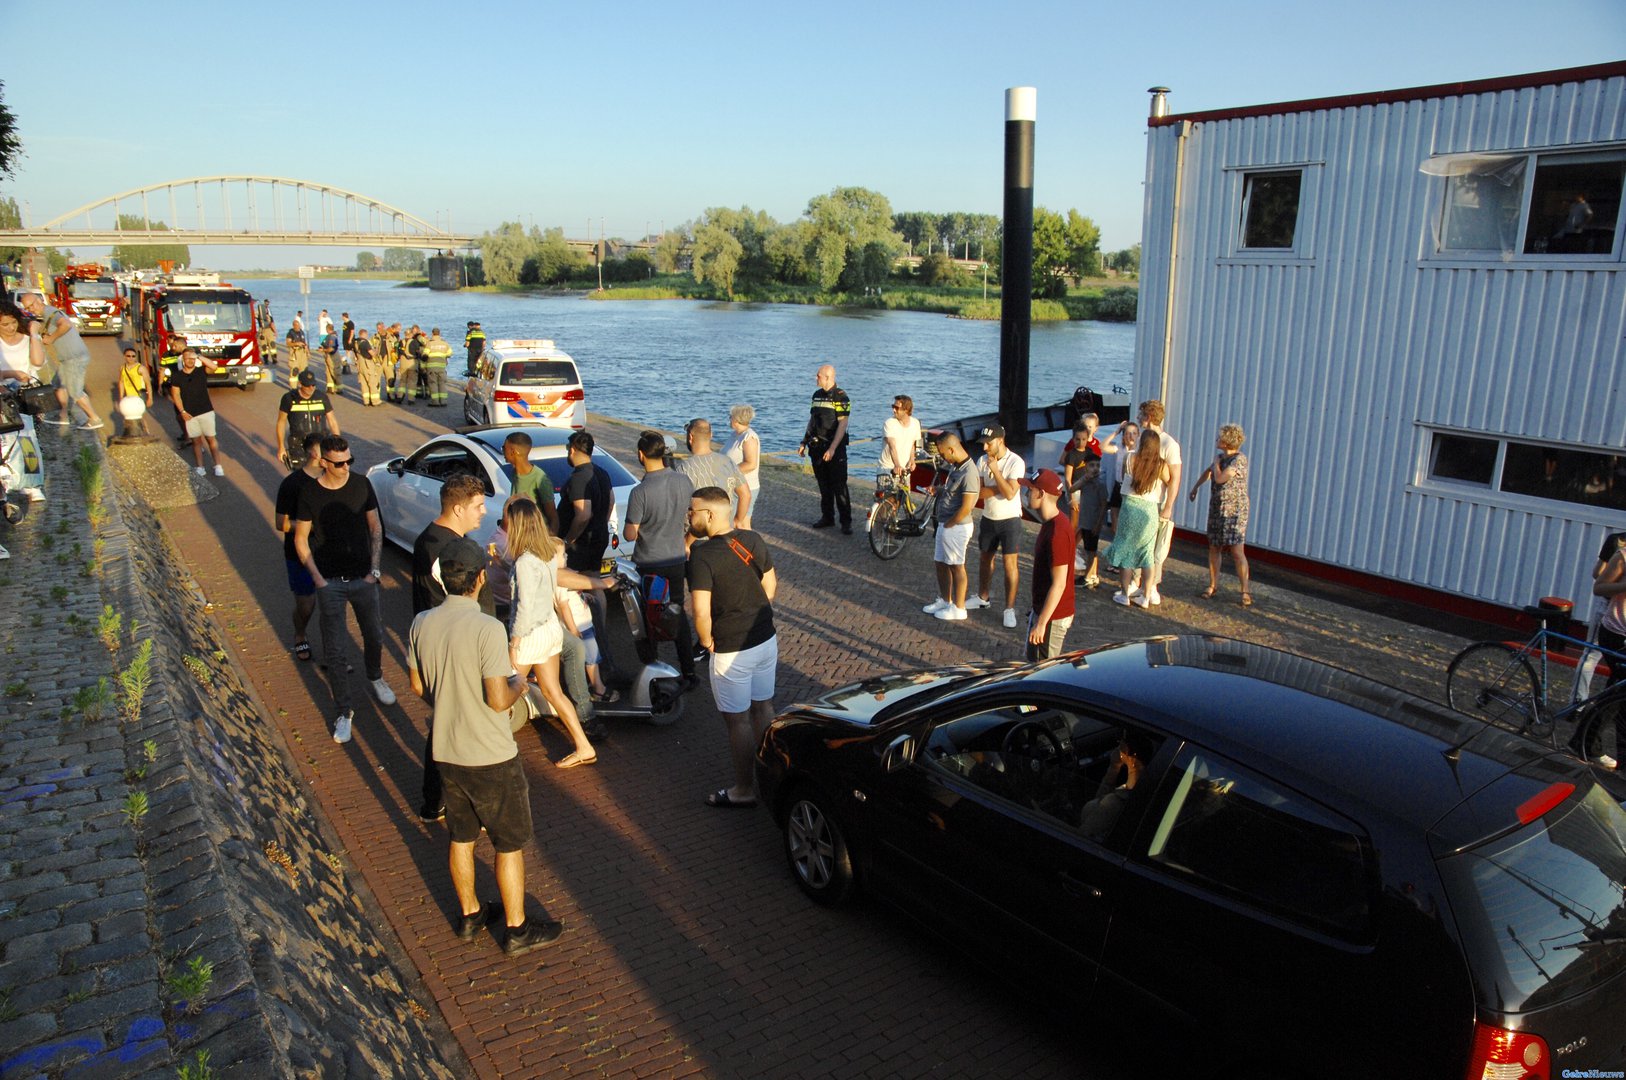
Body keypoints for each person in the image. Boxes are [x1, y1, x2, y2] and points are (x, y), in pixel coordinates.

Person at [406, 536, 564, 957]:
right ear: (478, 579)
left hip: (447, 750)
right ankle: (516, 928)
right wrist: (520, 686)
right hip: (491, 755)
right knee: (508, 843)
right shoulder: (487, 628)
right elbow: (497, 698)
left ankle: (471, 914)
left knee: (461, 836)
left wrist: (451, 698)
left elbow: (418, 684)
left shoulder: (421, 622)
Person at [293, 434, 394, 744]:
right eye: (340, 463)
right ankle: (343, 712)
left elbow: (375, 528)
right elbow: (300, 539)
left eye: (349, 460)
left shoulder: (362, 485)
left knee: (374, 635)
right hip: (330, 583)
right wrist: (319, 580)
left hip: (363, 578)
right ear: (324, 462)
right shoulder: (309, 493)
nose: (347, 466)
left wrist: (374, 570)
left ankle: (375, 676)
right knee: (335, 651)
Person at [688, 485, 779, 808]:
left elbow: (700, 610)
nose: (689, 516)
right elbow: (770, 584)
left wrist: (705, 639)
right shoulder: (752, 539)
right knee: (764, 707)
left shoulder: (701, 555)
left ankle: (744, 788)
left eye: (692, 511)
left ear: (709, 515)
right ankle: (773, 774)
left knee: (737, 721)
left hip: (731, 650)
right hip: (765, 638)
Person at [506, 498, 613, 768]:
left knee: (506, 690)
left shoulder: (524, 561)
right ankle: (583, 745)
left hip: (530, 635)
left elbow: (524, 606)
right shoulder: (545, 555)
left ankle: (491, 749)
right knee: (554, 692)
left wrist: (514, 642)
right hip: (550, 630)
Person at [411, 474, 493, 821]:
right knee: (470, 728)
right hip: (459, 649)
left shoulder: (427, 540)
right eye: (478, 506)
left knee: (445, 724)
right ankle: (469, 803)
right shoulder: (448, 551)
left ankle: (434, 801)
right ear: (458, 508)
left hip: (441, 644)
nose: (484, 513)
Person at [624, 429, 698, 689]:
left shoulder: (640, 491)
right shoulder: (683, 482)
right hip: (677, 559)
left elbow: (630, 534)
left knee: (648, 616)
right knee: (677, 611)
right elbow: (692, 517)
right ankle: (689, 671)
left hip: (649, 563)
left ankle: (652, 669)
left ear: (641, 455)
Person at [967, 424, 1026, 629]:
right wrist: (999, 488)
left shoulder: (1016, 462)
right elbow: (977, 492)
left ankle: (1009, 608)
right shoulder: (981, 461)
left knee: (1010, 564)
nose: (984, 449)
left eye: (988, 444)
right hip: (989, 517)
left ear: (1000, 441)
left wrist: (996, 473)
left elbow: (1011, 494)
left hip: (1010, 519)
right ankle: (983, 597)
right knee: (985, 558)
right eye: (983, 444)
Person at [1105, 430, 1172, 608]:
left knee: (1126, 551)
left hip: (1130, 506)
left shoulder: (1130, 458)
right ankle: (1146, 596)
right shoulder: (1161, 465)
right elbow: (1169, 480)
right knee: (1147, 553)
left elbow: (1125, 476)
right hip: (1150, 510)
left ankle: (1125, 594)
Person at [20, 291, 104, 431]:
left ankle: (94, 418)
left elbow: (65, 324)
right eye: (27, 308)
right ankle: (63, 416)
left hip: (74, 357)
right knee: (57, 384)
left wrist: (51, 338)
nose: (31, 309)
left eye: (32, 305)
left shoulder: (49, 312)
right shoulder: (47, 314)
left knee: (75, 392)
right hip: (68, 358)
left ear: (39, 300)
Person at [1188, 423, 1252, 606]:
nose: (1216, 440)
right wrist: (1195, 487)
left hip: (1235, 511)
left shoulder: (1238, 460)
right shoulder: (1221, 458)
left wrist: (1216, 464)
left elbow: (1220, 477)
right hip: (1217, 507)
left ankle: (1245, 590)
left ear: (1226, 441)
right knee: (1214, 547)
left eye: (1219, 438)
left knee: (1237, 550)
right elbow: (1208, 473)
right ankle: (1213, 585)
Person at [275, 433, 325, 663]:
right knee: (306, 604)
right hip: (300, 555)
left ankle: (332, 653)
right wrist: (310, 526)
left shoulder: (333, 479)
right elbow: (281, 523)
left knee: (332, 605)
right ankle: (300, 633)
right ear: (313, 453)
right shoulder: (292, 484)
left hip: (328, 554)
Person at [922, 433, 980, 621]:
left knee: (957, 565)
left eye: (943, 452)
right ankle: (946, 600)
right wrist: (939, 490)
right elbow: (952, 492)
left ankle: (959, 607)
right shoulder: (956, 467)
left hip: (956, 526)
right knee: (941, 562)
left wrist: (950, 524)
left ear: (952, 449)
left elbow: (967, 505)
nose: (942, 456)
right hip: (945, 523)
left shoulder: (969, 472)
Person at [1025, 469, 1076, 660]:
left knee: (1041, 669)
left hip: (1053, 617)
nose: (1026, 494)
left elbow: (1059, 583)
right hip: (1045, 612)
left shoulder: (1058, 533)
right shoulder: (1052, 523)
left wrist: (1041, 623)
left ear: (1041, 493)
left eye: (1030, 490)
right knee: (1033, 664)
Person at [1137, 400, 1182, 607]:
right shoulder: (1143, 440)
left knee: (1155, 547)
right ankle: (1141, 584)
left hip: (1157, 502)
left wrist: (1168, 506)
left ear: (1148, 417)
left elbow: (1175, 478)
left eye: (1140, 416)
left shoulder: (1169, 444)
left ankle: (1152, 586)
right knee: (1140, 543)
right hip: (1141, 500)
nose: (1137, 419)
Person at [797, 363, 852, 533]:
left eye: (818, 376)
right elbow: (812, 420)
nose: (816, 378)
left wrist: (833, 448)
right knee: (823, 485)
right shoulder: (816, 395)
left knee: (839, 486)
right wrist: (804, 442)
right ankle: (827, 517)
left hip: (834, 448)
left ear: (828, 377)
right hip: (817, 447)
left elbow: (843, 424)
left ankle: (846, 521)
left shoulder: (840, 396)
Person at [675, 418, 752, 530]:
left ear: (690, 437)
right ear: (711, 435)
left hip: (696, 534)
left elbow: (676, 505)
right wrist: (737, 521)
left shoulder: (684, 468)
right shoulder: (728, 462)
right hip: (724, 531)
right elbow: (746, 495)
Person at [1078, 732, 1154, 838]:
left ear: (1129, 755)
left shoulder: (1113, 803)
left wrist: (1114, 767)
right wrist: (1114, 767)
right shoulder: (1146, 788)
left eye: (1120, 745)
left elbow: (1084, 834)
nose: (1117, 749)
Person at [1578, 532, 1626, 699]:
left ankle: (1589, 713)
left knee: (1616, 679)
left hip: (1613, 609)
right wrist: (1620, 583)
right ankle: (1578, 704)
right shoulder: (1618, 545)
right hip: (1612, 615)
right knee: (1591, 655)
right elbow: (1598, 575)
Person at [556, 430, 611, 575]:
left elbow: (583, 515)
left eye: (568, 449)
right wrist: (600, 525)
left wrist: (567, 542)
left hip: (580, 545)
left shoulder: (579, 477)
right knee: (592, 581)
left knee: (571, 585)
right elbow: (611, 501)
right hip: (598, 538)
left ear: (572, 450)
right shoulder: (602, 472)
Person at [167, 347, 226, 477]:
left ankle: (218, 465)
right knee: (196, 441)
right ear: (183, 359)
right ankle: (200, 467)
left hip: (206, 411)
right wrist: (182, 411)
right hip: (189, 414)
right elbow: (176, 395)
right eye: (187, 358)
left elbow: (214, 367)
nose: (190, 360)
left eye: (192, 358)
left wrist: (199, 356)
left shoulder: (201, 371)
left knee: (211, 439)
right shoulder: (177, 376)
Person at [275, 370, 341, 470]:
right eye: (307, 385)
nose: (311, 388)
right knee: (300, 475)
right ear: (300, 384)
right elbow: (281, 421)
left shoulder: (322, 397)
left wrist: (337, 443)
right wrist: (281, 447)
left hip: (319, 443)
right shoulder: (289, 399)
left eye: (313, 385)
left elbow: (332, 421)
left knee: (321, 473)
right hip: (298, 444)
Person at [501, 431, 559, 534]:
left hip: (536, 538)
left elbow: (553, 518)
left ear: (514, 451)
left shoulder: (540, 479)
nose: (502, 451)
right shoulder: (515, 473)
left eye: (504, 448)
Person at [1072, 458, 1108, 589]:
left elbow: (1104, 504)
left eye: (1097, 465)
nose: (1095, 468)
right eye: (1092, 465)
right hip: (1084, 521)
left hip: (1093, 522)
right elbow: (1072, 489)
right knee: (1089, 549)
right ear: (1086, 467)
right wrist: (1084, 479)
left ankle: (1088, 577)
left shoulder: (1100, 484)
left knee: (1091, 550)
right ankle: (1092, 575)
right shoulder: (1085, 482)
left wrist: (1098, 524)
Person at [723, 405, 761, 515]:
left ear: (736, 419)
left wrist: (728, 472)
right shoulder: (734, 435)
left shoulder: (749, 437)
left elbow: (751, 464)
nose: (729, 419)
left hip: (746, 485)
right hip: (733, 484)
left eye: (730, 417)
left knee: (742, 522)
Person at [878, 394, 921, 483]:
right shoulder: (890, 423)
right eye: (893, 406)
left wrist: (912, 460)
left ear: (906, 410)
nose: (894, 410)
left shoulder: (915, 423)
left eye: (896, 408)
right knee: (888, 497)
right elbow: (892, 446)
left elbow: (912, 444)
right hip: (887, 470)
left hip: (905, 472)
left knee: (905, 496)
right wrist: (897, 465)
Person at [422, 327, 453, 406]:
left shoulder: (429, 343)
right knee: (442, 384)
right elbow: (450, 353)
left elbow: (425, 355)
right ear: (439, 333)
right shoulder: (444, 343)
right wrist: (443, 356)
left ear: (432, 333)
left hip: (432, 367)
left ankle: (435, 402)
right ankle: (443, 401)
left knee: (433, 384)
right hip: (442, 367)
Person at [353, 328, 383, 406]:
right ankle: (375, 401)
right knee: (372, 382)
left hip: (360, 364)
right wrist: (376, 350)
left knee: (363, 383)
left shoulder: (355, 342)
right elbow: (372, 353)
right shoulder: (365, 343)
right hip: (367, 364)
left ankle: (366, 401)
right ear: (365, 334)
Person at [285, 318, 310, 385]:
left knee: (304, 370)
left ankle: (303, 385)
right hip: (295, 353)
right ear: (294, 326)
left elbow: (304, 342)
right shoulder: (290, 333)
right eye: (297, 326)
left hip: (302, 352)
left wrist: (307, 351)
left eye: (299, 326)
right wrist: (296, 343)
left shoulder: (301, 332)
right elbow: (288, 343)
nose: (299, 327)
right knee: (294, 370)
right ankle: (293, 387)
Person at [318, 326, 340, 393]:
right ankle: (330, 388)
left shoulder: (332, 337)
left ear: (327, 329)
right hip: (327, 355)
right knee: (328, 372)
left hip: (332, 356)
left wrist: (323, 350)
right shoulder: (328, 336)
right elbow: (324, 343)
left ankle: (338, 388)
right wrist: (322, 347)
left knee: (334, 371)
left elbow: (331, 349)